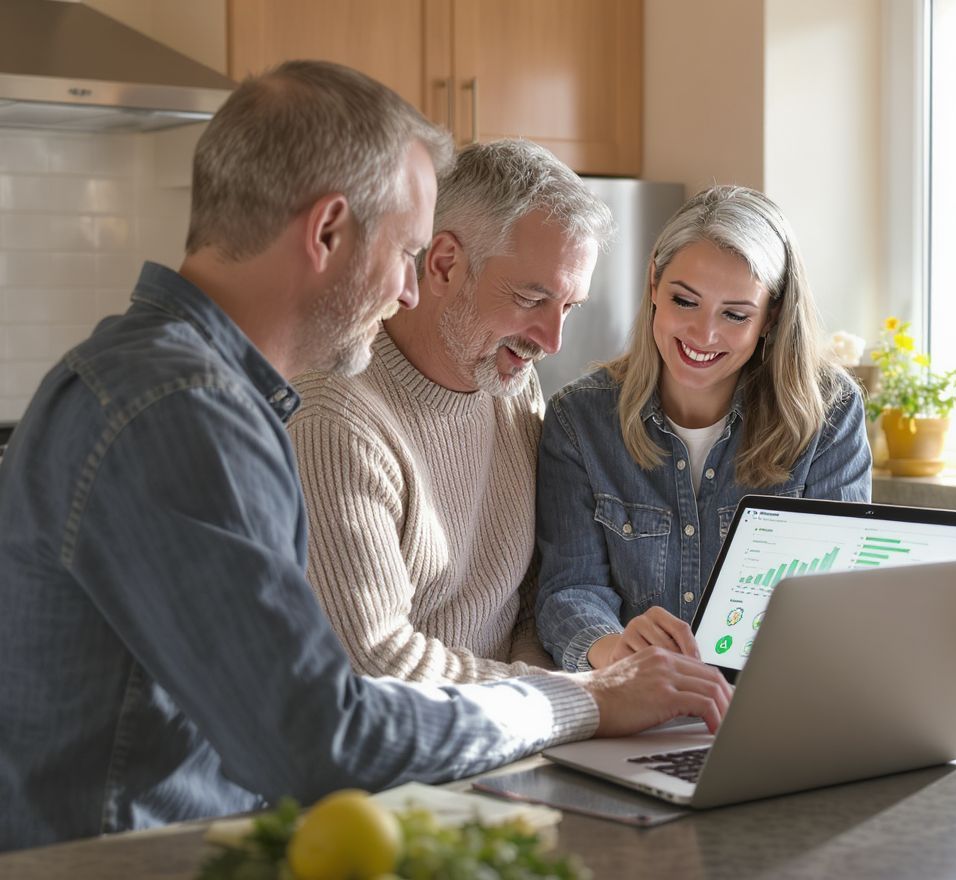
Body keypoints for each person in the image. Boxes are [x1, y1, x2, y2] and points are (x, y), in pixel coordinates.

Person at [0, 61, 730, 852]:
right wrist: (582, 700)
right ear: (326, 234)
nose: (409, 292)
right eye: (406, 251)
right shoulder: (177, 413)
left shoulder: (193, 391)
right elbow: (320, 733)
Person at [288, 140, 612, 683]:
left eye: (569, 307)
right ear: (443, 264)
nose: (552, 341)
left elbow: (532, 605)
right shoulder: (333, 418)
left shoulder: (511, 386)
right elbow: (375, 665)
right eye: (533, 299)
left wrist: (556, 718)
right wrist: (580, 700)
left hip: (509, 734)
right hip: (397, 760)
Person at [534, 186, 872, 672]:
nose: (703, 335)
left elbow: (837, 596)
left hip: (773, 694)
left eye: (735, 314)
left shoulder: (828, 413)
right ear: (654, 283)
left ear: (770, 317)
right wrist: (619, 651)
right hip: (636, 701)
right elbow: (570, 588)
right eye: (684, 301)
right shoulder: (579, 421)